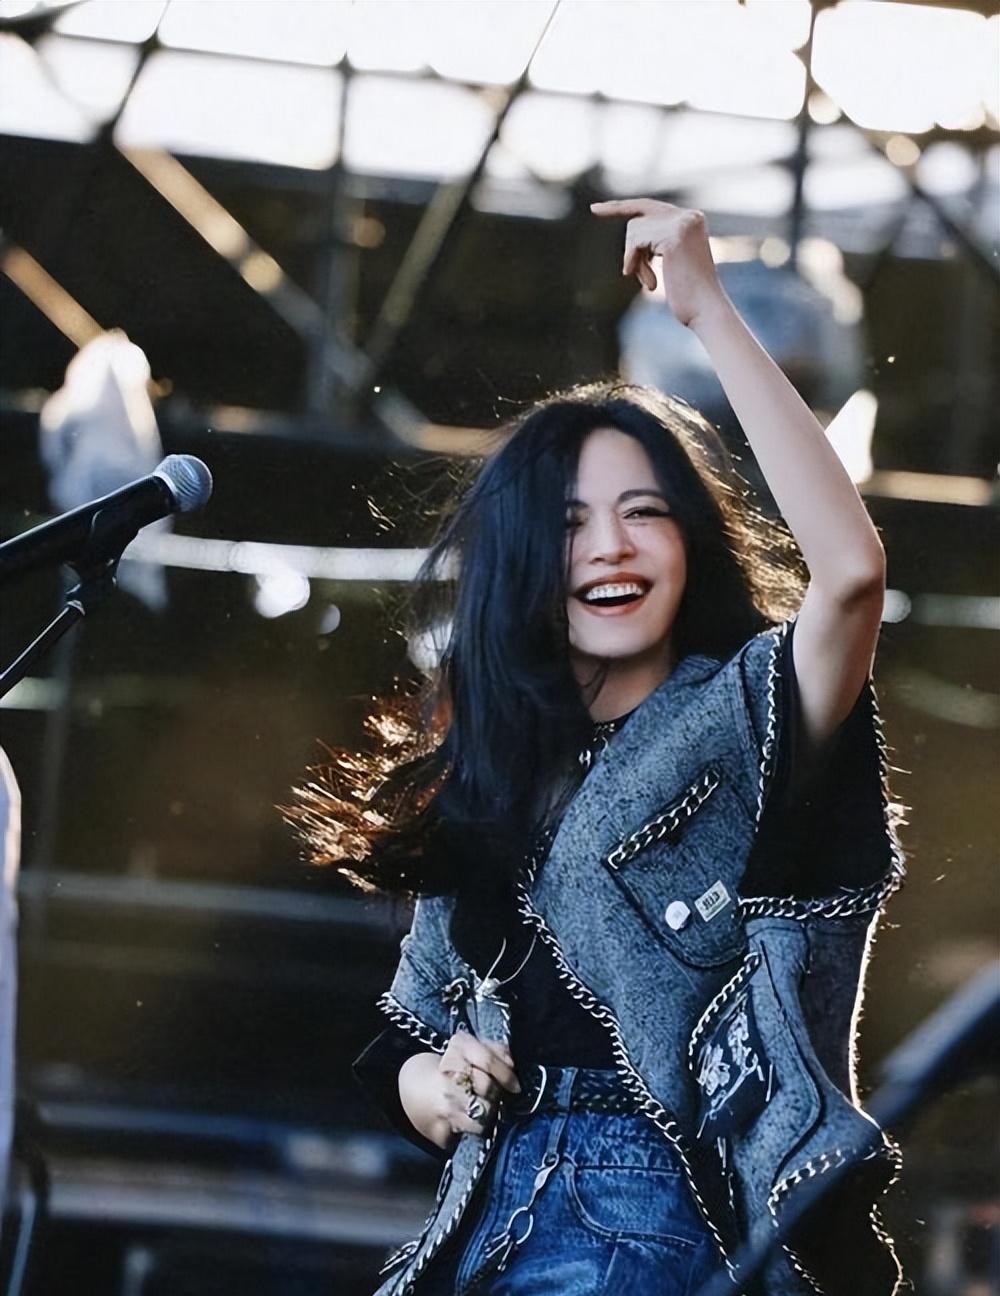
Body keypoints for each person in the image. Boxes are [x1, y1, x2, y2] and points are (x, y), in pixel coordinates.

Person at [287, 200, 907, 1295]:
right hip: (483, 1218)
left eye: (644, 513)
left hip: (661, 1215)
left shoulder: (741, 712)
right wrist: (443, 1086)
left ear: (689, 540)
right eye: (570, 523)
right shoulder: (492, 769)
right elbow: (408, 1041)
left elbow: (851, 575)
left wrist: (706, 311)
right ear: (525, 557)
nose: (610, 547)